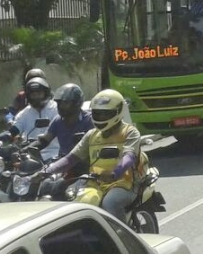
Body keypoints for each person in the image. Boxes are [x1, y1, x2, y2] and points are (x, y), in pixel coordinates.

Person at [44, 89, 146, 219]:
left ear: (118, 111)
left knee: (110, 203)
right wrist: (46, 171)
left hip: (124, 182)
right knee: (76, 202)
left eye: (106, 114)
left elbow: (129, 156)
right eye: (98, 114)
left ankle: (121, 236)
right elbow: (71, 159)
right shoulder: (91, 135)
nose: (101, 118)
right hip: (94, 182)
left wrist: (115, 173)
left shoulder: (130, 132)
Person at [36, 83, 94, 159]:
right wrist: (26, 149)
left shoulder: (89, 120)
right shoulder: (58, 120)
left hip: (85, 164)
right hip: (63, 163)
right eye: (59, 103)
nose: (60, 106)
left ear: (77, 103)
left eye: (65, 103)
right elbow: (44, 141)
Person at [9, 76, 59, 161]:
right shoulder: (24, 113)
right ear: (28, 96)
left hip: (55, 154)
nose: (36, 97)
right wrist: (1, 137)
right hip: (30, 157)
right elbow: (15, 129)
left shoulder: (57, 109)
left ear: (46, 93)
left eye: (39, 93)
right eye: (33, 94)